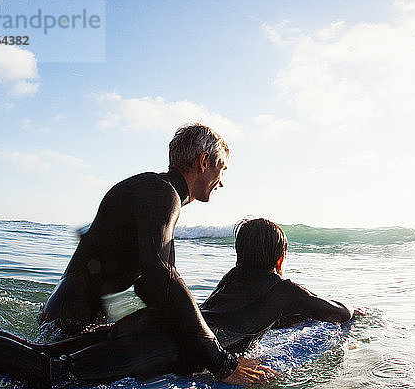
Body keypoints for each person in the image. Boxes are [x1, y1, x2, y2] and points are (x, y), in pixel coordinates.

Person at [0, 218, 358, 387]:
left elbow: (226, 316)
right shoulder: (285, 289)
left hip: (156, 324)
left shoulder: (231, 279)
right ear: (280, 258)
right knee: (54, 374)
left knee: (42, 353)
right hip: (166, 345)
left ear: (238, 254)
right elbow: (336, 313)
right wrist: (354, 314)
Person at [37, 123, 262, 384]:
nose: (221, 182)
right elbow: (161, 277)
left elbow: (152, 288)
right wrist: (221, 361)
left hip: (73, 316)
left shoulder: (157, 193)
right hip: (69, 321)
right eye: (221, 169)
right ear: (203, 161)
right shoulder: (161, 194)